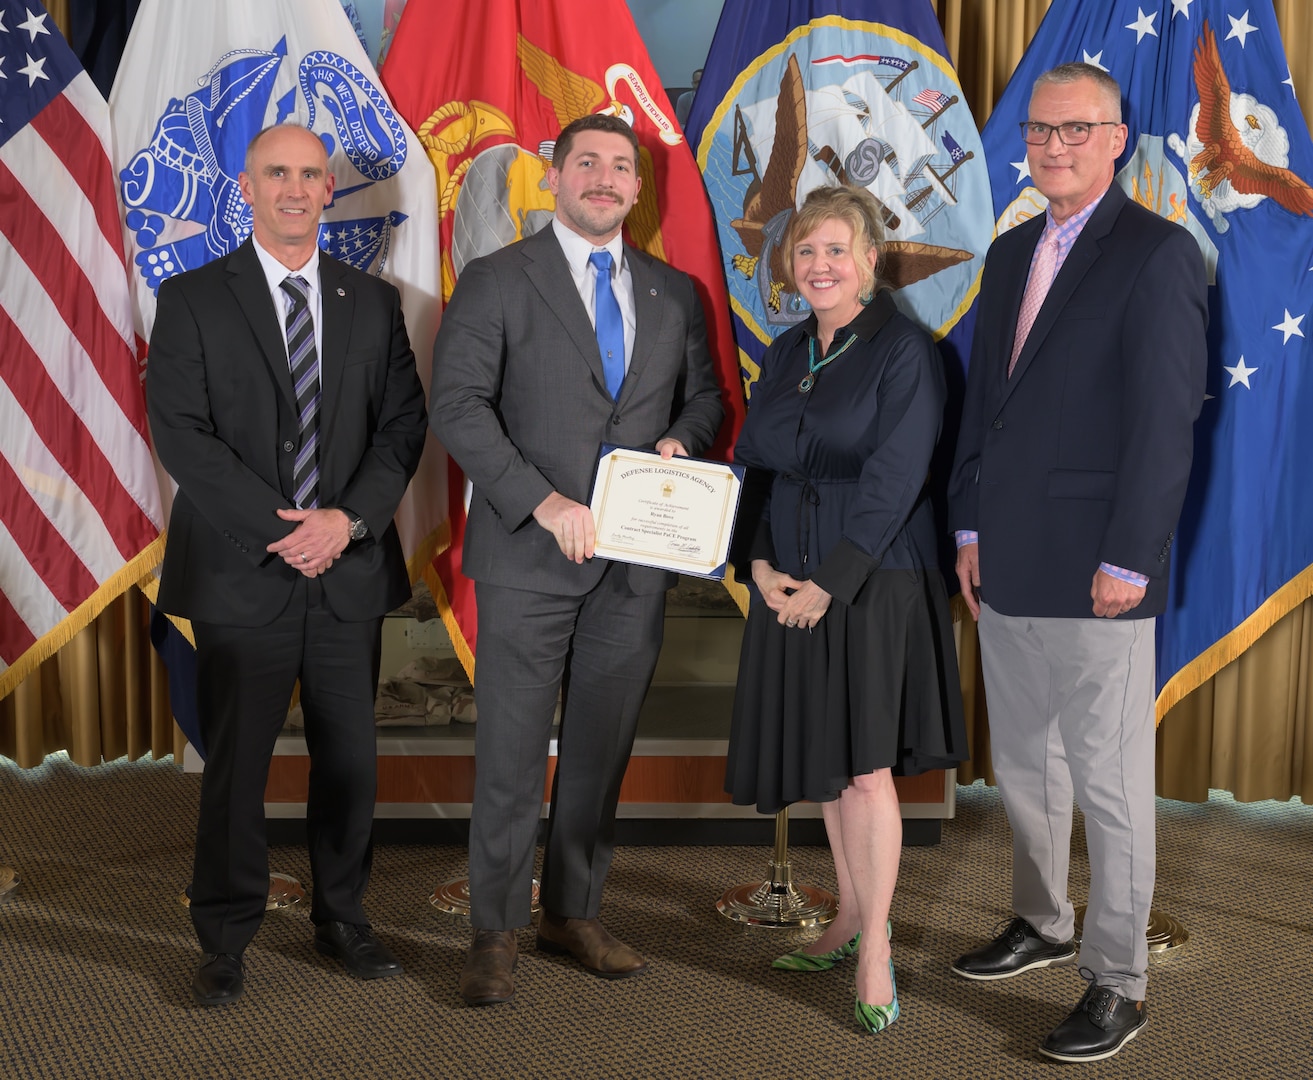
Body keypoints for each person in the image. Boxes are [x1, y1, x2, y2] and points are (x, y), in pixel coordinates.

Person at [430, 113, 724, 1006]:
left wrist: (679, 440)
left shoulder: (675, 294)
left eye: (620, 167)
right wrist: (542, 501)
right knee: (511, 753)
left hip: (634, 565)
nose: (603, 178)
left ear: (639, 190)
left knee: (601, 749)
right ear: (552, 179)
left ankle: (573, 912)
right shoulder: (495, 280)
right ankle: (495, 930)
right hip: (528, 556)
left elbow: (706, 398)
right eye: (585, 163)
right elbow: (458, 405)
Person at [946, 64, 1207, 1063]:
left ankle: (1117, 980)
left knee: (1105, 779)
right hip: (1005, 554)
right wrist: (967, 530)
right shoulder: (1010, 251)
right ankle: (1042, 922)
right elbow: (984, 405)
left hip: (1099, 567)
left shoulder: (1156, 254)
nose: (1051, 146)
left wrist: (1130, 561)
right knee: (1021, 764)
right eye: (1038, 131)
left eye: (1073, 129)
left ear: (1115, 138)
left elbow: (1162, 426)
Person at [147, 124, 428, 1006]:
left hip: (344, 571)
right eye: (279, 173)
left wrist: (343, 522)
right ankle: (225, 933)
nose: (296, 188)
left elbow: (402, 428)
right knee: (236, 767)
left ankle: (342, 917)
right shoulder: (191, 297)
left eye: (312, 174)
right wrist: (285, 531)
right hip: (243, 571)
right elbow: (182, 436)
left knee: (350, 760)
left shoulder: (373, 302)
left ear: (330, 191)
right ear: (248, 184)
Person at [725, 184, 968, 1034]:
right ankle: (849, 917)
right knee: (827, 763)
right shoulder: (788, 350)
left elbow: (896, 478)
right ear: (788, 267)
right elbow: (754, 462)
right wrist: (753, 563)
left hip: (871, 579)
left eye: (835, 250)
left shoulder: (906, 350)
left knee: (865, 769)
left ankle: (875, 951)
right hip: (784, 574)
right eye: (804, 251)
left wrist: (827, 581)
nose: (818, 265)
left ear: (869, 261)